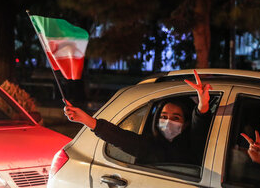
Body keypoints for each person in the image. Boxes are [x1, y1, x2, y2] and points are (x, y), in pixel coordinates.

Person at [63, 70, 213, 165]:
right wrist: (86, 120)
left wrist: (203, 105)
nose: (168, 122)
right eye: (164, 116)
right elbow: (119, 138)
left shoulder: (192, 146)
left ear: (185, 124)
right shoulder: (149, 146)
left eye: (175, 118)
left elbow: (200, 124)